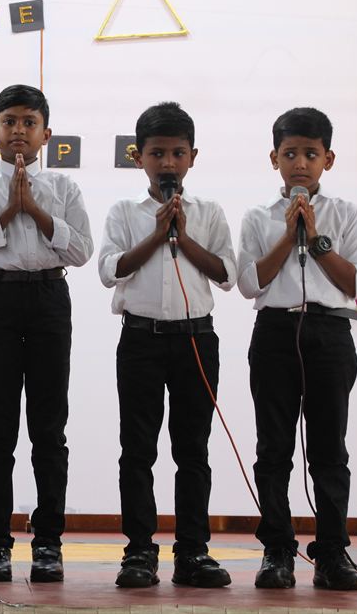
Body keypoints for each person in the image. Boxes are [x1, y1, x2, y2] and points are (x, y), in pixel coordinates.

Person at [0, 84, 93, 583]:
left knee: (49, 430)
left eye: (29, 122)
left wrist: (36, 209)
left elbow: (81, 252)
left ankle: (48, 543)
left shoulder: (64, 187)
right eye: (8, 121)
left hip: (49, 298)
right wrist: (8, 210)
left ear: (46, 134)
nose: (18, 131)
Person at [98, 102, 235, 588]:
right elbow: (109, 270)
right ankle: (139, 551)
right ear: (139, 157)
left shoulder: (209, 212)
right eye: (157, 153)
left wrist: (183, 237)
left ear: (193, 157)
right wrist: (158, 235)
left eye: (178, 153)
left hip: (196, 339)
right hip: (140, 340)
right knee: (137, 450)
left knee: (192, 450)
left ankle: (193, 552)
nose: (168, 163)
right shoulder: (124, 212)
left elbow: (227, 274)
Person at [238, 107, 357, 591]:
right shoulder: (258, 217)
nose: (300, 163)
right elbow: (249, 283)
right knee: (273, 448)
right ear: (274, 158)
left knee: (329, 449)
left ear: (327, 160)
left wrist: (314, 238)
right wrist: (287, 234)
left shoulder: (346, 213)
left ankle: (332, 552)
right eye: (290, 153)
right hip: (275, 333)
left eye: (310, 154)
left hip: (329, 334)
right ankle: (277, 550)